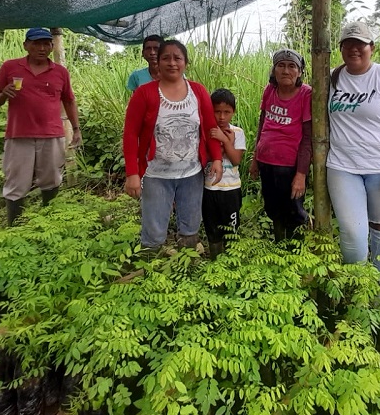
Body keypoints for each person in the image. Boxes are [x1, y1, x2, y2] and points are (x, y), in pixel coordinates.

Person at [327, 21, 380, 270]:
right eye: (348, 44)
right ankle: (356, 289)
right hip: (343, 167)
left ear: (372, 48)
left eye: (361, 44)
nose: (354, 49)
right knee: (353, 234)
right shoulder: (333, 78)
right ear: (341, 48)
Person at [123, 39, 223, 250]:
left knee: (190, 225)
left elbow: (210, 128)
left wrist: (216, 159)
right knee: (154, 227)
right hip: (156, 175)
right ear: (157, 62)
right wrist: (132, 173)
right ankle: (151, 264)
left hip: (192, 173)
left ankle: (187, 264)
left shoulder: (198, 91)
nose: (172, 63)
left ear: (185, 62)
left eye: (177, 58)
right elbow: (130, 134)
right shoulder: (144, 93)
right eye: (166, 58)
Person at [0, 28, 82, 226]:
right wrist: (4, 93)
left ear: (51, 46)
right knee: (16, 182)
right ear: (26, 45)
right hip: (18, 135)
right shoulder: (10, 67)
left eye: (46, 44)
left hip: (51, 134)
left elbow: (69, 100)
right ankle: (15, 228)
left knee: (51, 179)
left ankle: (48, 223)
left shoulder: (60, 72)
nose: (41, 48)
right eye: (36, 43)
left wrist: (76, 129)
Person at [249, 49, 312, 241]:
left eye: (292, 66)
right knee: (273, 208)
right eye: (281, 65)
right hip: (266, 160)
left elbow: (308, 137)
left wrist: (301, 174)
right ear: (274, 70)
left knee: (294, 211)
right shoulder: (270, 90)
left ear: (300, 71)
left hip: (290, 166)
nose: (286, 71)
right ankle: (278, 247)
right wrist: (255, 159)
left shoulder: (305, 94)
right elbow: (263, 123)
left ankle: (295, 255)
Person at [202, 88, 246, 257]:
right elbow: (206, 158)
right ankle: (215, 262)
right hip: (210, 188)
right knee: (212, 228)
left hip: (231, 189)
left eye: (226, 112)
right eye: (217, 112)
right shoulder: (207, 132)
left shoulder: (237, 133)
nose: (221, 117)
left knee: (231, 227)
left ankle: (231, 262)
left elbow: (236, 160)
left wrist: (225, 140)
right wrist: (224, 143)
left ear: (233, 112)